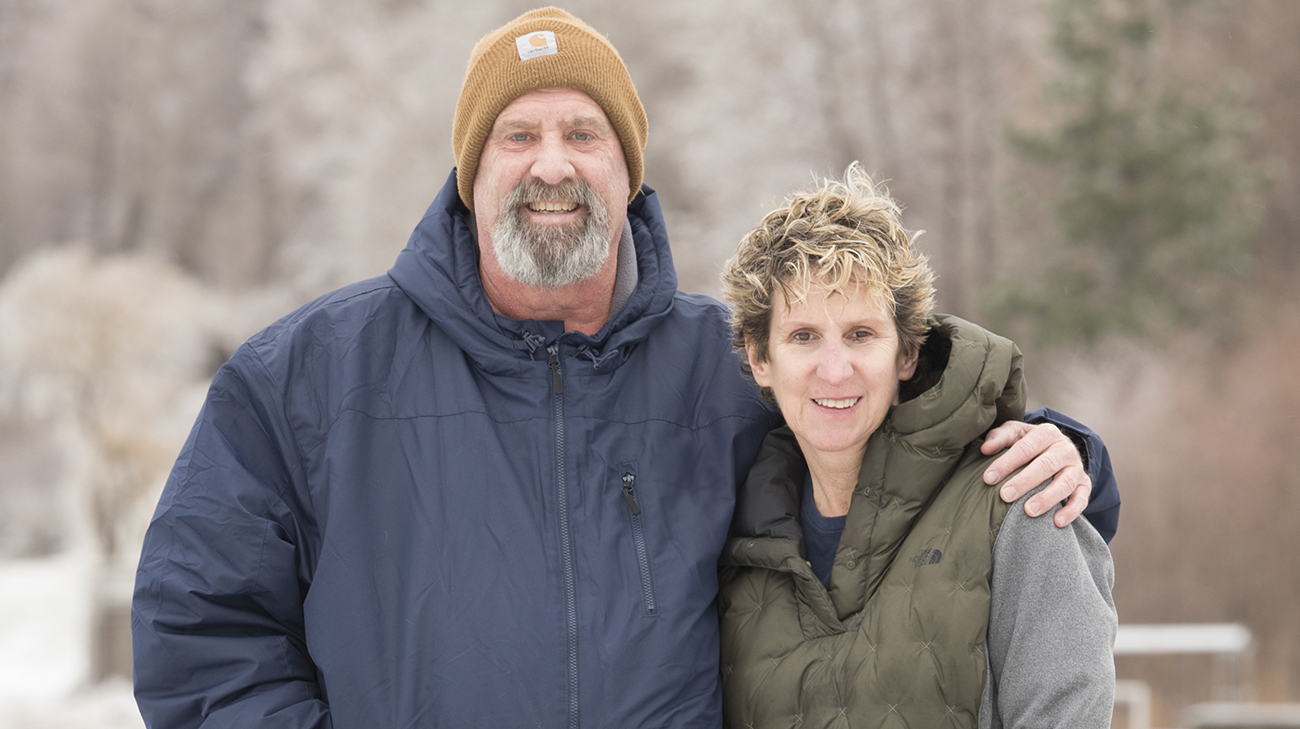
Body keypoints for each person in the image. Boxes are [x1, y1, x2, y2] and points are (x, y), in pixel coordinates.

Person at [131, 7, 1118, 728]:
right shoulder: (307, 377)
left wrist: (1061, 452)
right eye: (517, 136)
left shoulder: (730, 369)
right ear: (471, 176)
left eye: (582, 135)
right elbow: (197, 628)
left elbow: (898, 443)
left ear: (627, 170)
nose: (550, 164)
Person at [718, 165, 1116, 728]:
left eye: (861, 335)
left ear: (907, 354)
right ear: (761, 359)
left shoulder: (1018, 501)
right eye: (804, 336)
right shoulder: (729, 545)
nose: (835, 371)